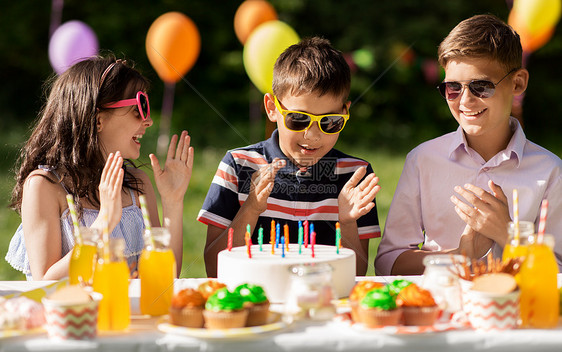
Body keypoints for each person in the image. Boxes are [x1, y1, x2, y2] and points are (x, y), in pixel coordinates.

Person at [375, 14, 562, 275]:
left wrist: (508, 234)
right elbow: (388, 264)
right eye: (453, 87)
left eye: (481, 86)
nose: (465, 101)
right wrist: (459, 257)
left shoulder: (551, 172)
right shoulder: (422, 160)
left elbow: (557, 274)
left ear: (518, 82)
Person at [199, 37, 381, 277]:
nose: (312, 135)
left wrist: (346, 222)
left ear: (345, 112)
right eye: (299, 119)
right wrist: (251, 208)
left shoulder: (354, 176)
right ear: (272, 107)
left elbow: (355, 275)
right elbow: (214, 268)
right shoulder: (238, 165)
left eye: (329, 122)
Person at [6, 55, 194, 280]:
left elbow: (166, 277)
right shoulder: (44, 186)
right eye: (139, 109)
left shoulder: (138, 184)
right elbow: (47, 281)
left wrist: (173, 202)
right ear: (97, 119)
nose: (148, 120)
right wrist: (104, 222)